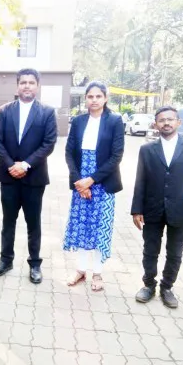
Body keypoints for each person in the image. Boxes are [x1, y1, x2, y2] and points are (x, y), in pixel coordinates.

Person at [131, 105, 183, 308]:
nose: (166, 123)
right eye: (161, 120)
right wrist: (136, 209)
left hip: (181, 210)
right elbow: (140, 181)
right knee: (150, 250)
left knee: (175, 252)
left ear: (178, 122)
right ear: (155, 124)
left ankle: (167, 287)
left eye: (170, 119)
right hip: (152, 209)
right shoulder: (147, 150)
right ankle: (149, 285)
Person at [0, 68, 58, 284]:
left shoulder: (47, 112)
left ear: (37, 85)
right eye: (23, 82)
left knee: (33, 223)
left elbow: (49, 143)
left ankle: (35, 263)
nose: (27, 86)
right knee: (8, 221)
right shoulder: (5, 111)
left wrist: (26, 165)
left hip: (34, 177)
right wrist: (12, 165)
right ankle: (5, 260)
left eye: (31, 82)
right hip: (8, 176)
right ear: (17, 85)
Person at [63, 81, 125, 292]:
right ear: (86, 99)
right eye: (90, 96)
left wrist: (91, 180)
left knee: (99, 229)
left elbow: (116, 156)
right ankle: (81, 270)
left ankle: (97, 272)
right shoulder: (79, 121)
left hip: (103, 182)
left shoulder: (115, 121)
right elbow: (69, 153)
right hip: (80, 181)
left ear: (105, 98)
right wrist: (79, 182)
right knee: (82, 227)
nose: (94, 100)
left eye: (98, 96)